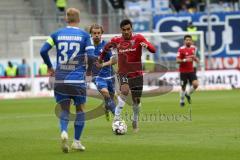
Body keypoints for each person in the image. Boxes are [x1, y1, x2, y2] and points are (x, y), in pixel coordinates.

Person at [40, 8, 94, 153]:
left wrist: (50, 67)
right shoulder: (84, 35)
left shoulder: (56, 34)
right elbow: (92, 55)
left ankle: (64, 131)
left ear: (66, 19)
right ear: (79, 19)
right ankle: (76, 141)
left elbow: (43, 50)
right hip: (77, 80)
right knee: (81, 109)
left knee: (64, 109)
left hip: (60, 79)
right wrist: (88, 72)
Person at [100, 19, 156, 132]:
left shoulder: (139, 38)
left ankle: (135, 120)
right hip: (123, 72)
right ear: (121, 30)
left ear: (131, 29)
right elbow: (105, 49)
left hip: (137, 74)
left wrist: (147, 45)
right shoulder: (116, 40)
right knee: (124, 91)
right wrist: (100, 59)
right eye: (124, 30)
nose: (126, 32)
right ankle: (116, 118)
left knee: (136, 101)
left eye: (128, 29)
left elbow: (153, 50)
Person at [89, 24, 116, 121]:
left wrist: (103, 64)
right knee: (105, 92)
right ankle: (118, 119)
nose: (96, 35)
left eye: (98, 33)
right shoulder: (88, 47)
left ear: (102, 34)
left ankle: (107, 106)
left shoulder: (107, 46)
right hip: (97, 76)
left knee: (111, 99)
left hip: (110, 76)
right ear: (91, 34)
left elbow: (114, 60)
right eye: (94, 33)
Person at [176, 35, 199, 107]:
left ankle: (188, 94)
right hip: (183, 72)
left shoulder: (194, 48)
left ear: (191, 41)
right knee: (183, 87)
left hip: (191, 71)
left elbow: (194, 58)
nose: (188, 41)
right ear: (184, 41)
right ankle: (182, 100)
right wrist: (185, 60)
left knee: (195, 84)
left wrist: (196, 59)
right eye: (187, 40)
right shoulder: (181, 49)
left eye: (189, 40)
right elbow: (177, 60)